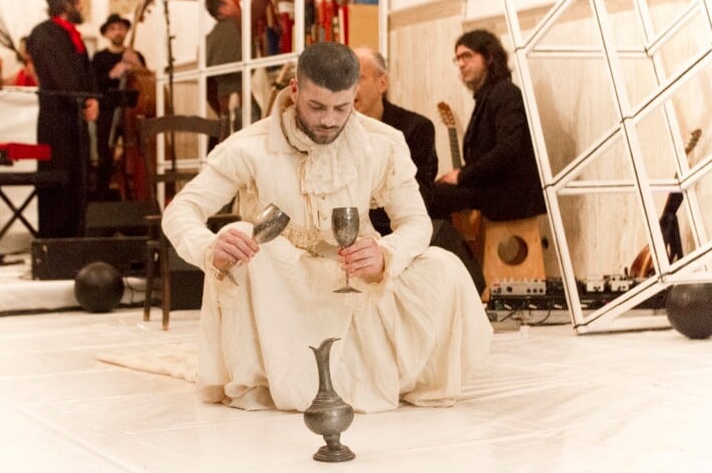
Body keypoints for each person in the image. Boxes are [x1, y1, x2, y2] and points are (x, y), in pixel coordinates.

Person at [162, 42, 492, 414]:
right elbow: (180, 211)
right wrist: (209, 247)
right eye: (317, 106)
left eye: (342, 107)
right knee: (246, 241)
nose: (329, 120)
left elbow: (415, 221)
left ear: (355, 95)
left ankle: (374, 370)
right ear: (294, 90)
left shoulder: (383, 143)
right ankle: (282, 377)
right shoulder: (249, 147)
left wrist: (386, 255)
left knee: (443, 267)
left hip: (355, 274)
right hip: (283, 285)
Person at [353, 47, 486, 293]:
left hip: (395, 227)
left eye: (358, 78)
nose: (350, 88)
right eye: (345, 80)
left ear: (382, 83)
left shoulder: (415, 128)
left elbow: (420, 196)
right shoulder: (335, 129)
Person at [429, 29, 546, 224]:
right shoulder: (489, 95)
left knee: (432, 197)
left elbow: (507, 150)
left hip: (511, 193)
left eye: (467, 56)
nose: (460, 64)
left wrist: (462, 176)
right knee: (432, 192)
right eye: (457, 58)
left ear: (489, 57)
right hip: (494, 187)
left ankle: (455, 253)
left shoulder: (505, 94)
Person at [27, 0, 98, 238]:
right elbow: (61, 75)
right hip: (56, 119)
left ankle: (77, 236)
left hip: (75, 118)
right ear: (67, 4)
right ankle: (56, 241)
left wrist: (93, 99)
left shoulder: (71, 35)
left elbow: (86, 72)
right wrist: (83, 98)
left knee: (79, 177)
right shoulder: (45, 33)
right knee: (59, 177)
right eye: (78, 2)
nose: (82, 6)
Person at [205, 0, 279, 129]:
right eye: (231, 0)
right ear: (223, 10)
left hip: (225, 109)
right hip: (247, 102)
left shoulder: (208, 39)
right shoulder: (240, 22)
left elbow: (208, 87)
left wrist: (221, 109)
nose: (237, 1)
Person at [90, 13, 147, 201]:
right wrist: (112, 74)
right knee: (105, 156)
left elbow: (146, 81)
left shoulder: (135, 55)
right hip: (107, 112)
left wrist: (137, 65)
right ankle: (102, 200)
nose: (118, 32)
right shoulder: (99, 58)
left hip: (132, 113)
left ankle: (137, 198)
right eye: (113, 28)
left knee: (137, 155)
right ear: (106, 34)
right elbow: (94, 85)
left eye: (121, 28)